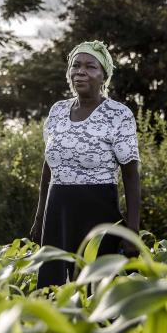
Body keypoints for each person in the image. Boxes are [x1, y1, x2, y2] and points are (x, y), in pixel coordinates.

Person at [30, 41, 141, 288]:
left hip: (98, 217)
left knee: (96, 293)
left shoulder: (118, 114)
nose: (81, 71)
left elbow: (131, 177)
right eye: (75, 66)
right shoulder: (57, 111)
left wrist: (132, 231)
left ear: (104, 76)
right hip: (57, 213)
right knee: (51, 290)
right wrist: (40, 218)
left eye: (90, 67)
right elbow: (48, 169)